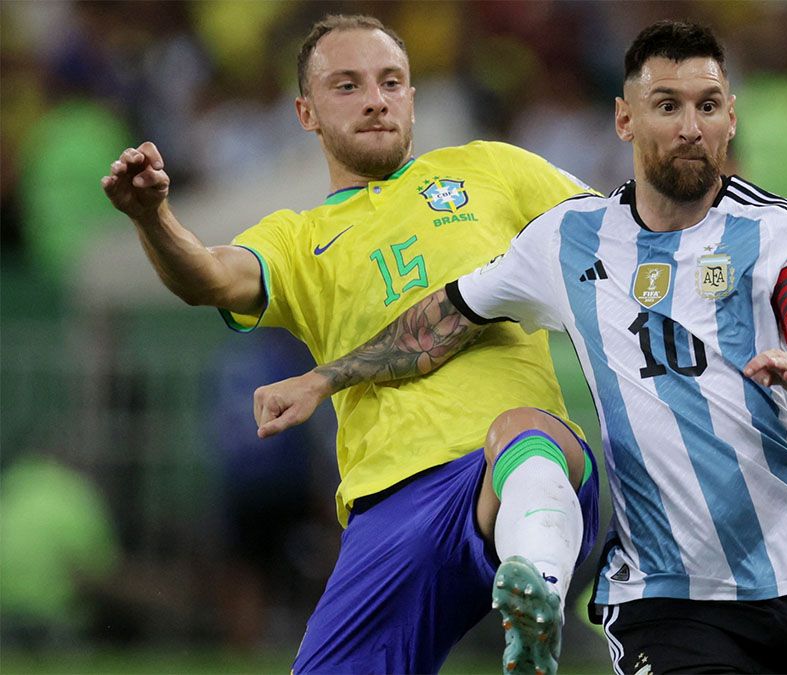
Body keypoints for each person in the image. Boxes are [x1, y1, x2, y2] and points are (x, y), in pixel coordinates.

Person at [253, 20, 787, 674]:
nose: (688, 126)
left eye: (706, 105)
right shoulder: (570, 239)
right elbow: (438, 323)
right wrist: (323, 378)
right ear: (625, 120)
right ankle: (539, 596)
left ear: (731, 118)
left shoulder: (775, 231)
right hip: (664, 595)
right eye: (666, 106)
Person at [100, 14, 601, 675]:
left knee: (529, 432)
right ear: (305, 112)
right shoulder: (299, 237)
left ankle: (535, 594)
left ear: (413, 98)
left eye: (392, 81)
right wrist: (153, 217)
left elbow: (618, 240)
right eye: (348, 85)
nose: (376, 98)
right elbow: (210, 276)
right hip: (388, 506)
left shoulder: (491, 170)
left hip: (506, 470)